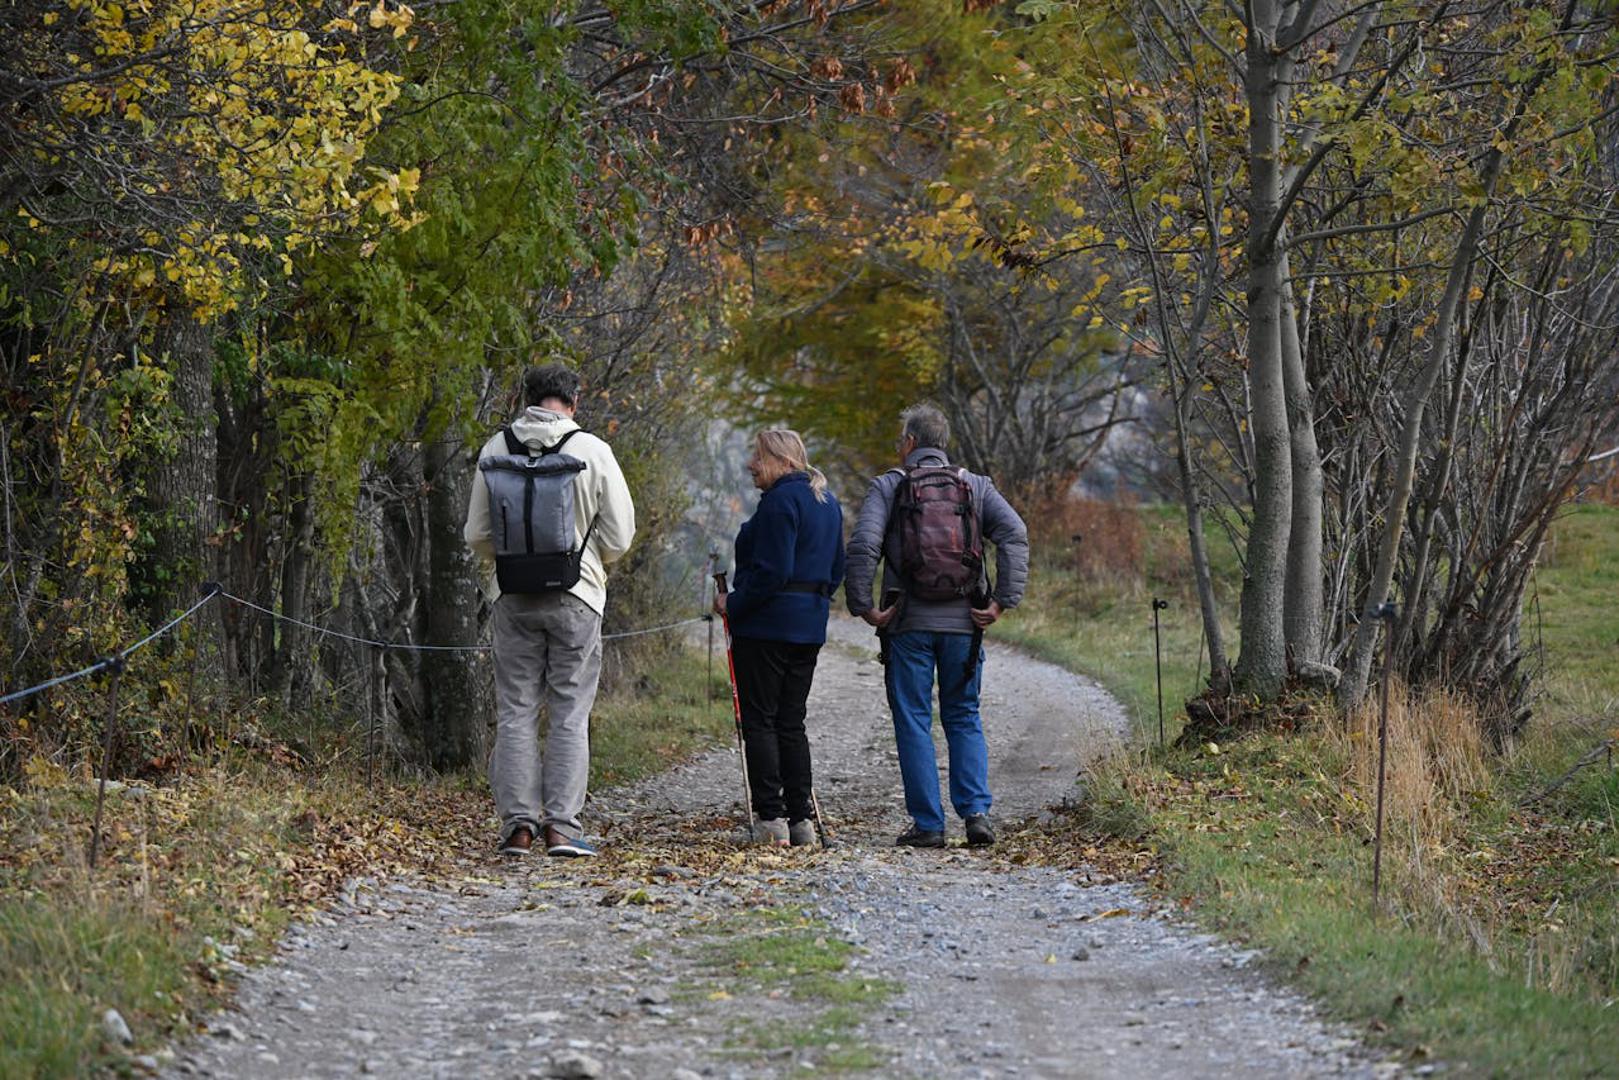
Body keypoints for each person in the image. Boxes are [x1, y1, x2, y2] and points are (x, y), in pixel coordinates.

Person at [464, 363, 636, 858]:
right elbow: (621, 535)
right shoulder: (593, 450)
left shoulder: (495, 450)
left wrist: (508, 564)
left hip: (512, 596)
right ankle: (562, 827)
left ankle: (518, 828)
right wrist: (585, 564)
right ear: (574, 402)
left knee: (515, 710)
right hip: (576, 596)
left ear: (525, 397)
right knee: (569, 712)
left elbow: (476, 534)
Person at [844, 402, 1028, 848]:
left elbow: (864, 543)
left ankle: (928, 825)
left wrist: (864, 605)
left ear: (909, 443)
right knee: (963, 714)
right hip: (966, 622)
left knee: (913, 719)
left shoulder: (889, 485)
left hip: (907, 623)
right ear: (942, 445)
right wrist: (1003, 600)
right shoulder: (976, 486)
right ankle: (976, 814)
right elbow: (1014, 534)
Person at [714, 430, 845, 847]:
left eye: (758, 457)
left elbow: (772, 572)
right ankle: (800, 822)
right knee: (791, 721)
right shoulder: (828, 503)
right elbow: (837, 568)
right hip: (808, 627)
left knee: (761, 721)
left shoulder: (778, 502)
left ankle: (771, 820)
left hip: (766, 627)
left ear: (783, 461)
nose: (752, 465)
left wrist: (732, 605)